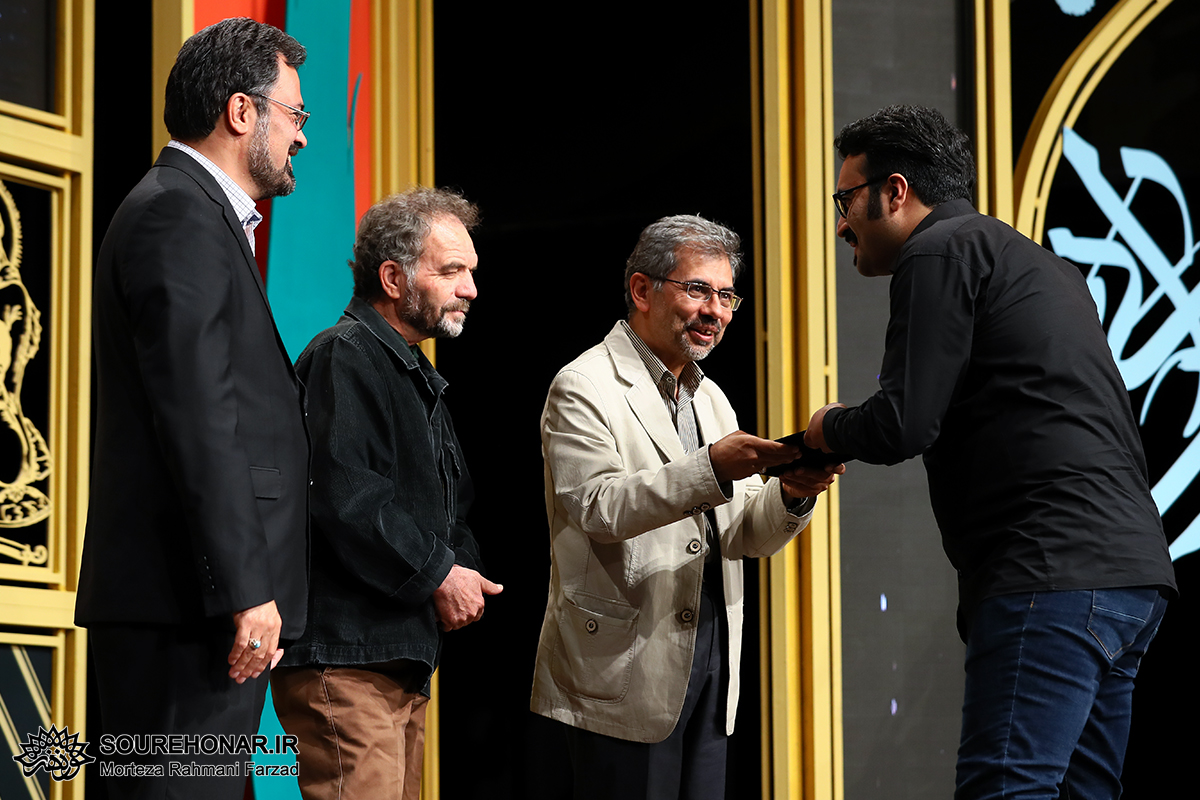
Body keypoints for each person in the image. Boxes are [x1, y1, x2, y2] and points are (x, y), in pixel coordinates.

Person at [805, 104, 1178, 800]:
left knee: (1005, 789)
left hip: (1049, 570)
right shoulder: (1048, 267)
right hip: (1133, 578)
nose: (840, 225)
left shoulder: (939, 251)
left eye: (844, 200)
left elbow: (902, 424)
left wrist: (826, 429)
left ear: (895, 191)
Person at [75, 17, 311, 798]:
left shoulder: (189, 211)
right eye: (295, 115)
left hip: (193, 607)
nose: (302, 137)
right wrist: (245, 588)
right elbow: (199, 414)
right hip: (189, 608)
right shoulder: (178, 213)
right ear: (242, 112)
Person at [532, 214, 843, 800]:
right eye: (699, 289)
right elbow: (599, 507)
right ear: (642, 290)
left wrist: (793, 491)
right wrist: (712, 468)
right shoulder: (583, 384)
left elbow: (745, 535)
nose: (716, 311)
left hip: (711, 659)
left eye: (727, 296)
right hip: (624, 662)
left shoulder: (711, 398)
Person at [271, 187, 498, 800]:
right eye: (452, 271)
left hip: (395, 657)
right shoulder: (344, 356)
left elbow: (452, 508)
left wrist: (461, 570)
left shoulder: (414, 372)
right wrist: (439, 574)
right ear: (393, 278)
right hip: (345, 656)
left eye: (471, 272)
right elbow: (347, 498)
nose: (471, 289)